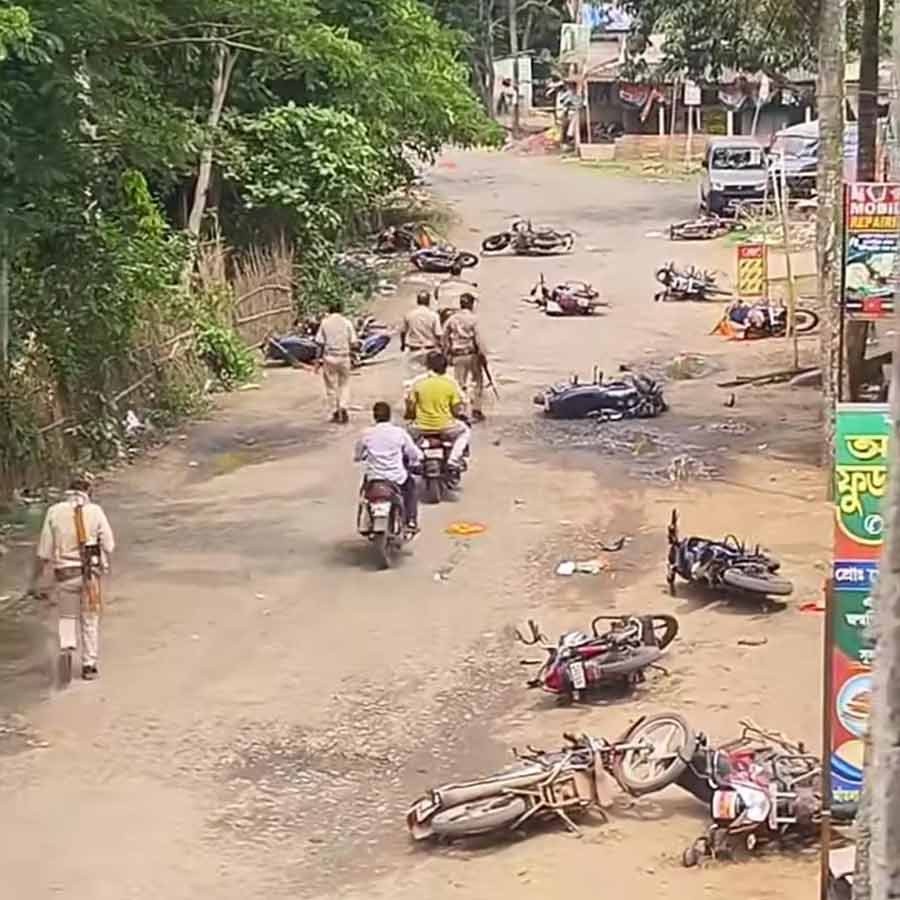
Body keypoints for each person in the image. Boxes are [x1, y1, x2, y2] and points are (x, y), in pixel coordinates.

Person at [27, 474, 115, 680]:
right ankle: (89, 664)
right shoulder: (96, 511)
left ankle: (67, 651)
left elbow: (44, 552)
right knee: (90, 619)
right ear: (88, 493)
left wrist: (35, 579)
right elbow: (109, 545)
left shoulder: (54, 512)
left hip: (65, 574)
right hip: (90, 575)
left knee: (67, 617)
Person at [354, 401, 423, 531]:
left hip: (374, 477)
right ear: (390, 416)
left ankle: (365, 518)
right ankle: (411, 520)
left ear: (374, 416)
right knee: (411, 488)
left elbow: (358, 454)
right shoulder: (399, 433)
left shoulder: (366, 433)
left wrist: (360, 457)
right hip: (396, 477)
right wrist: (417, 461)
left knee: (364, 492)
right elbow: (413, 452)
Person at [407, 351, 470, 475]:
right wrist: (459, 414)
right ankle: (453, 460)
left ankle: (415, 460)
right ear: (445, 368)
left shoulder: (418, 383)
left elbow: (410, 406)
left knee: (406, 437)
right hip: (446, 427)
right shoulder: (450, 383)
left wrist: (411, 415)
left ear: (427, 366)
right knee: (464, 432)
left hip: (421, 427)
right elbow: (457, 408)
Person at [443, 292, 488, 422]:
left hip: (457, 354)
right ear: (472, 304)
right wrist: (483, 355)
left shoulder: (452, 319)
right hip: (472, 354)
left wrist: (447, 353)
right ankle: (476, 410)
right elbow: (479, 339)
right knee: (477, 382)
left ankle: (460, 411)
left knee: (459, 384)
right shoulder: (474, 319)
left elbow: (444, 337)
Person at [315, 301, 358, 423]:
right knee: (344, 384)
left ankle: (335, 411)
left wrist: (317, 361)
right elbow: (354, 342)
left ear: (330, 309)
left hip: (329, 357)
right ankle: (343, 407)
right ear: (341, 309)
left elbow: (319, 343)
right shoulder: (347, 323)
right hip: (344, 357)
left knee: (331, 387)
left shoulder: (325, 323)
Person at [401, 291, 442, 379]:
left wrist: (403, 345)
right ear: (428, 301)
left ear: (417, 301)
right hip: (430, 351)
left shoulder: (409, 315)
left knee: (414, 378)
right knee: (431, 378)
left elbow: (403, 332)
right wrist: (441, 347)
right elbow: (438, 334)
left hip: (414, 350)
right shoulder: (434, 315)